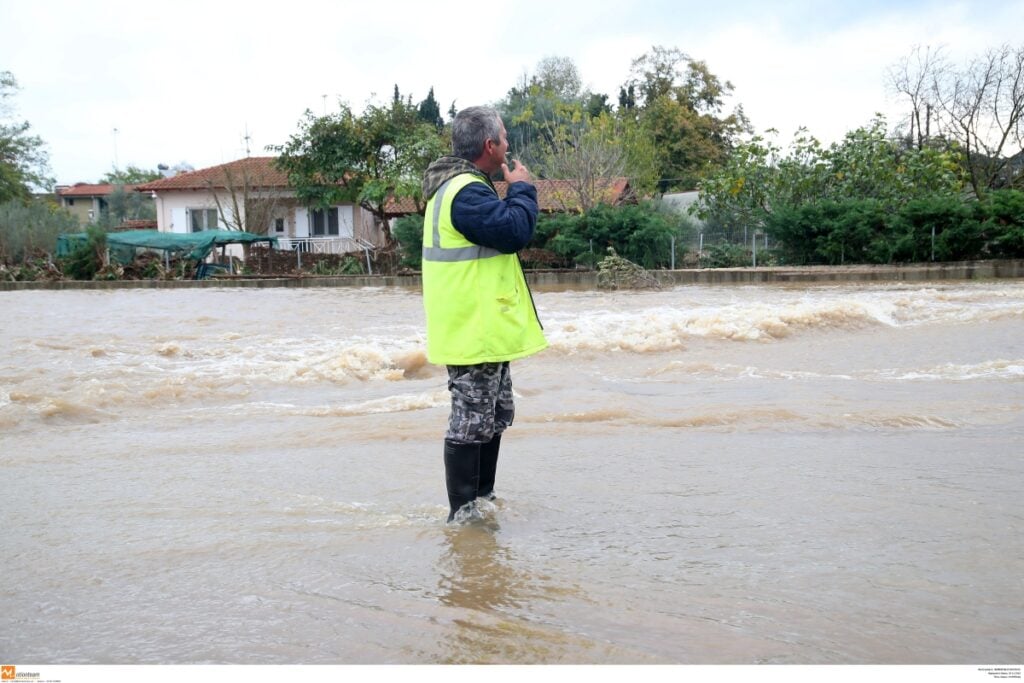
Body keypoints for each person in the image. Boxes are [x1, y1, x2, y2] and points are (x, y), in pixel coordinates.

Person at [420, 106, 548, 523]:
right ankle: (463, 515)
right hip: (472, 330)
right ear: (490, 146)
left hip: (480, 328)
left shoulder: (462, 187)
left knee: (492, 416)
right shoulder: (465, 192)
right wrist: (524, 189)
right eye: (505, 139)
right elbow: (514, 232)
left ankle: (482, 500)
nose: (509, 146)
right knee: (470, 421)